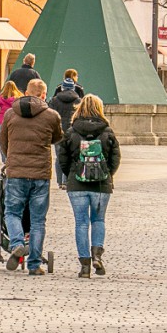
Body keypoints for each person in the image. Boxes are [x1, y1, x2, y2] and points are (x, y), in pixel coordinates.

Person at [0, 79, 62, 275]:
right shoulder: (51, 116)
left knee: (12, 213)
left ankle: (17, 243)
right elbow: (57, 138)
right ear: (44, 95)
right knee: (37, 220)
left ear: (25, 92)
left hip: (16, 172)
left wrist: (11, 159)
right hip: (40, 174)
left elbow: (3, 143)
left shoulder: (10, 114)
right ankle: (34, 264)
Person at [56, 94, 120, 278]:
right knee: (98, 220)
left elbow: (63, 158)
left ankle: (84, 265)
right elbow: (115, 157)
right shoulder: (107, 130)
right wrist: (107, 173)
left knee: (81, 223)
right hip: (101, 184)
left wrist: (71, 175)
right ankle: (97, 255)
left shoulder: (72, 131)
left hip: (77, 183)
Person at [48, 78, 82, 187]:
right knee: (71, 155)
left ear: (62, 88)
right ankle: (67, 180)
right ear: (73, 88)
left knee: (59, 156)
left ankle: (59, 181)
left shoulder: (54, 100)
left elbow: (49, 115)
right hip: (72, 131)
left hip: (58, 131)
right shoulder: (78, 101)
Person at [0, 81, 21, 163]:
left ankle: (5, 159)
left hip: (2, 121)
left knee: (2, 141)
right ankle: (13, 158)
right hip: (15, 121)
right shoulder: (19, 98)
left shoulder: (1, 98)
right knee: (13, 140)